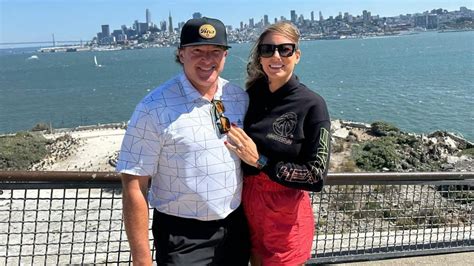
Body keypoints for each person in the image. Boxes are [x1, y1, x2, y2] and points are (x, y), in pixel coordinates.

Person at [116, 17, 250, 265]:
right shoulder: (153, 107)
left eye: (215, 51)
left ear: (225, 57)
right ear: (181, 54)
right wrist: (142, 261)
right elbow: (134, 184)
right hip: (182, 237)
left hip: (235, 228)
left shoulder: (238, 97)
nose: (207, 59)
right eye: (197, 50)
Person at [225, 21, 331, 266]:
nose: (276, 56)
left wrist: (260, 161)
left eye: (285, 49)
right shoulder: (249, 98)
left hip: (286, 219)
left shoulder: (312, 105)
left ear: (297, 55)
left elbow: (316, 176)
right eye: (268, 49)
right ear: (260, 57)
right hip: (245, 210)